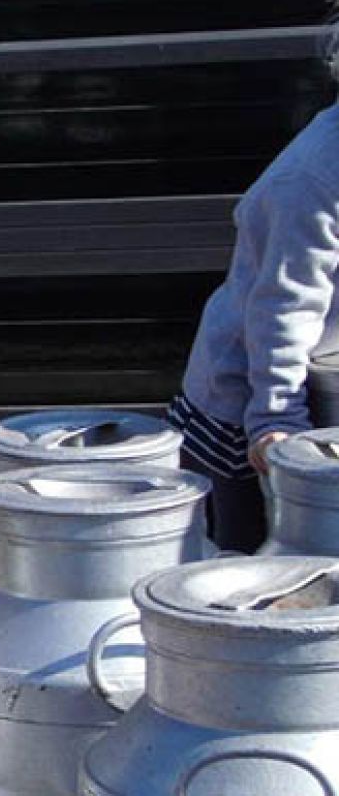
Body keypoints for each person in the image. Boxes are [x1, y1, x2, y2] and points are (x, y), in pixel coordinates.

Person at [168, 50, 339, 554]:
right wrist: (276, 421)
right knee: (244, 568)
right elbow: (283, 308)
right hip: (246, 402)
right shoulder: (311, 180)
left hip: (319, 384)